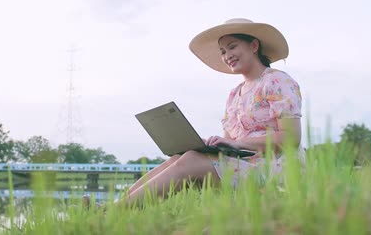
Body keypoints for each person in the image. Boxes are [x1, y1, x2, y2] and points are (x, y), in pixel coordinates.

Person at [116, 18, 304, 208]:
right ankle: (113, 207)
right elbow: (230, 146)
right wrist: (212, 146)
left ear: (254, 45)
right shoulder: (234, 95)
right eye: (223, 51)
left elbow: (291, 138)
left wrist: (236, 143)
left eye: (232, 47)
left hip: (274, 169)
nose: (227, 55)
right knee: (181, 157)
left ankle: (115, 212)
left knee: (190, 160)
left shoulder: (276, 81)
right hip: (244, 165)